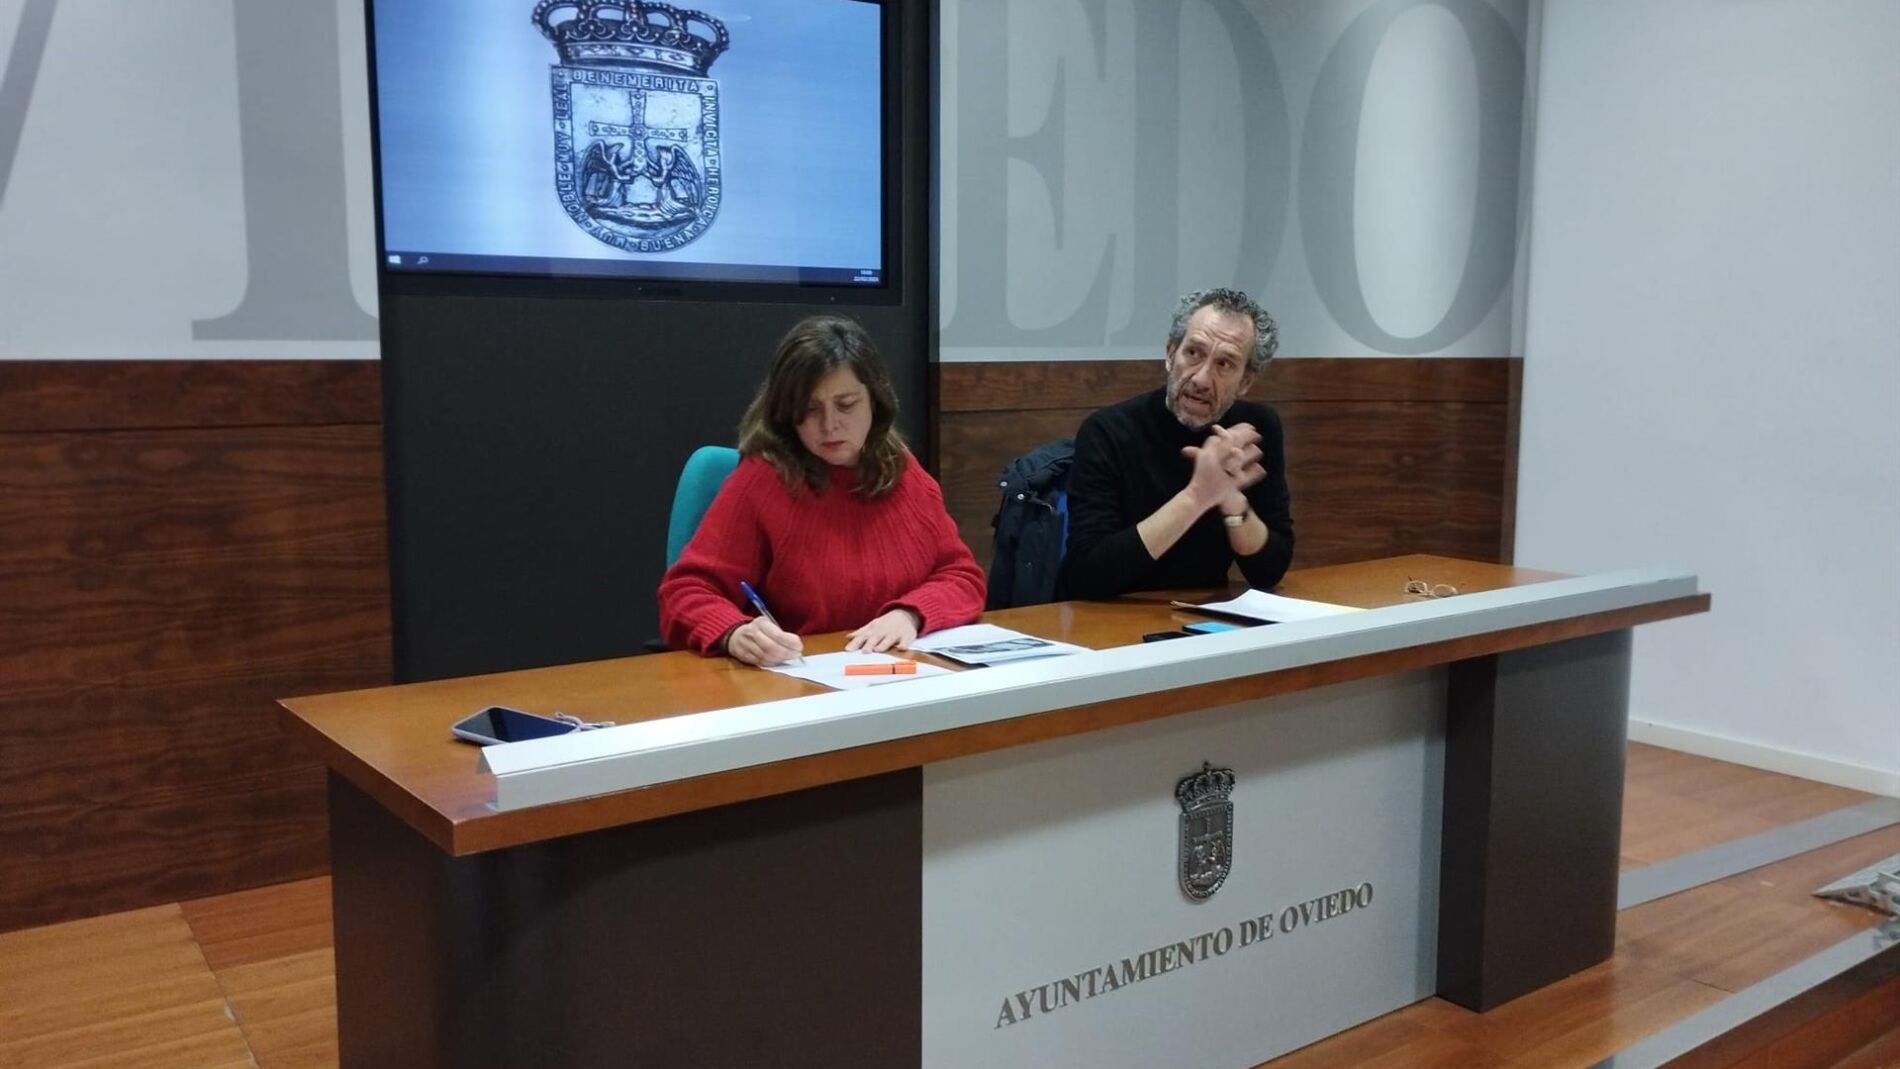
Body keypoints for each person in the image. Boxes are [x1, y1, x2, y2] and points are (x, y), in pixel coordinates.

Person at [658, 316, 986, 665]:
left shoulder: (903, 471)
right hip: (799, 677)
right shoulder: (763, 479)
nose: (830, 425)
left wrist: (910, 614)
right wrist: (734, 632)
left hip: (900, 676)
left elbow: (962, 576)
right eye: (810, 409)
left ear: (875, 401)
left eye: (846, 404)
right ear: (788, 412)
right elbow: (685, 592)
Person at [1060, 288, 1293, 600]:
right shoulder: (1107, 432)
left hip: (1205, 614)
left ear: (1245, 382)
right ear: (1171, 354)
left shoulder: (1253, 430)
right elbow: (1088, 576)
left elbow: (1269, 571)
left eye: (1225, 364)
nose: (1201, 379)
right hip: (1115, 614)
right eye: (1193, 353)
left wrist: (1232, 502)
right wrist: (1198, 496)